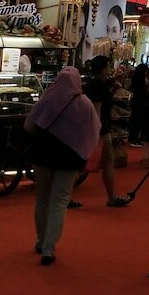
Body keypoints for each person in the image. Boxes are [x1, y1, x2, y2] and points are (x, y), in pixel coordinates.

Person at [23, 66, 100, 266]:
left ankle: (40, 241)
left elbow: (28, 126)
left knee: (42, 200)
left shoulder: (47, 98)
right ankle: (49, 248)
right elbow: (94, 130)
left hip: (43, 154)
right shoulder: (84, 104)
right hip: (69, 158)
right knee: (59, 202)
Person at [83, 55, 130, 207]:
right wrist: (99, 131)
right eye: (108, 67)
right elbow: (97, 108)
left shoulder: (91, 84)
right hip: (101, 130)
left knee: (80, 164)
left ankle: (66, 196)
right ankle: (111, 197)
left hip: (92, 128)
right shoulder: (98, 86)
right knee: (108, 163)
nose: (109, 70)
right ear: (103, 69)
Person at [128, 63, 149, 148]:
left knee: (134, 120)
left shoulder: (136, 78)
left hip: (135, 101)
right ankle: (135, 139)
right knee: (138, 121)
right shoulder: (142, 80)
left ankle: (132, 138)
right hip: (140, 102)